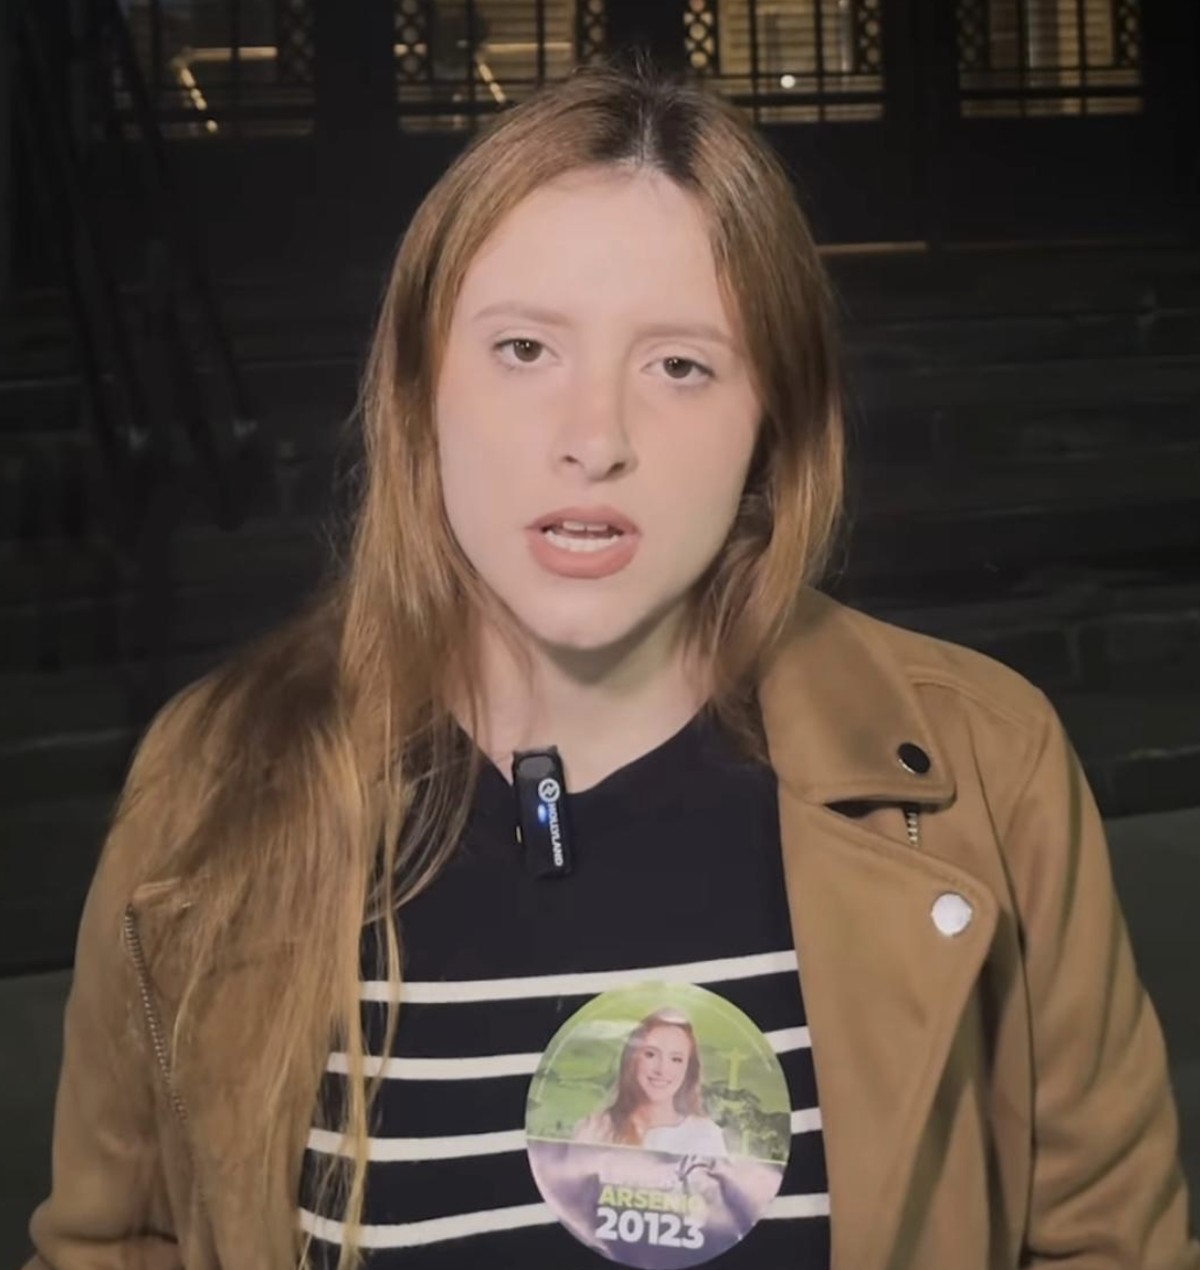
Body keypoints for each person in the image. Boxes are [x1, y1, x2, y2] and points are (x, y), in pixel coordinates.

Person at [24, 54, 1200, 1270]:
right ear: (420, 392)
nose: (595, 439)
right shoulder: (216, 777)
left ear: (770, 426)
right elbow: (116, 1243)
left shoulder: (979, 768)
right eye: (524, 349)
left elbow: (1110, 1244)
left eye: (680, 365)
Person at [572, 1009, 727, 1155]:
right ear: (632, 1059)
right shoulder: (595, 1129)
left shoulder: (705, 1136)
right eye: (650, 1054)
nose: (662, 1069)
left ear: (688, 1069)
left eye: (676, 1059)